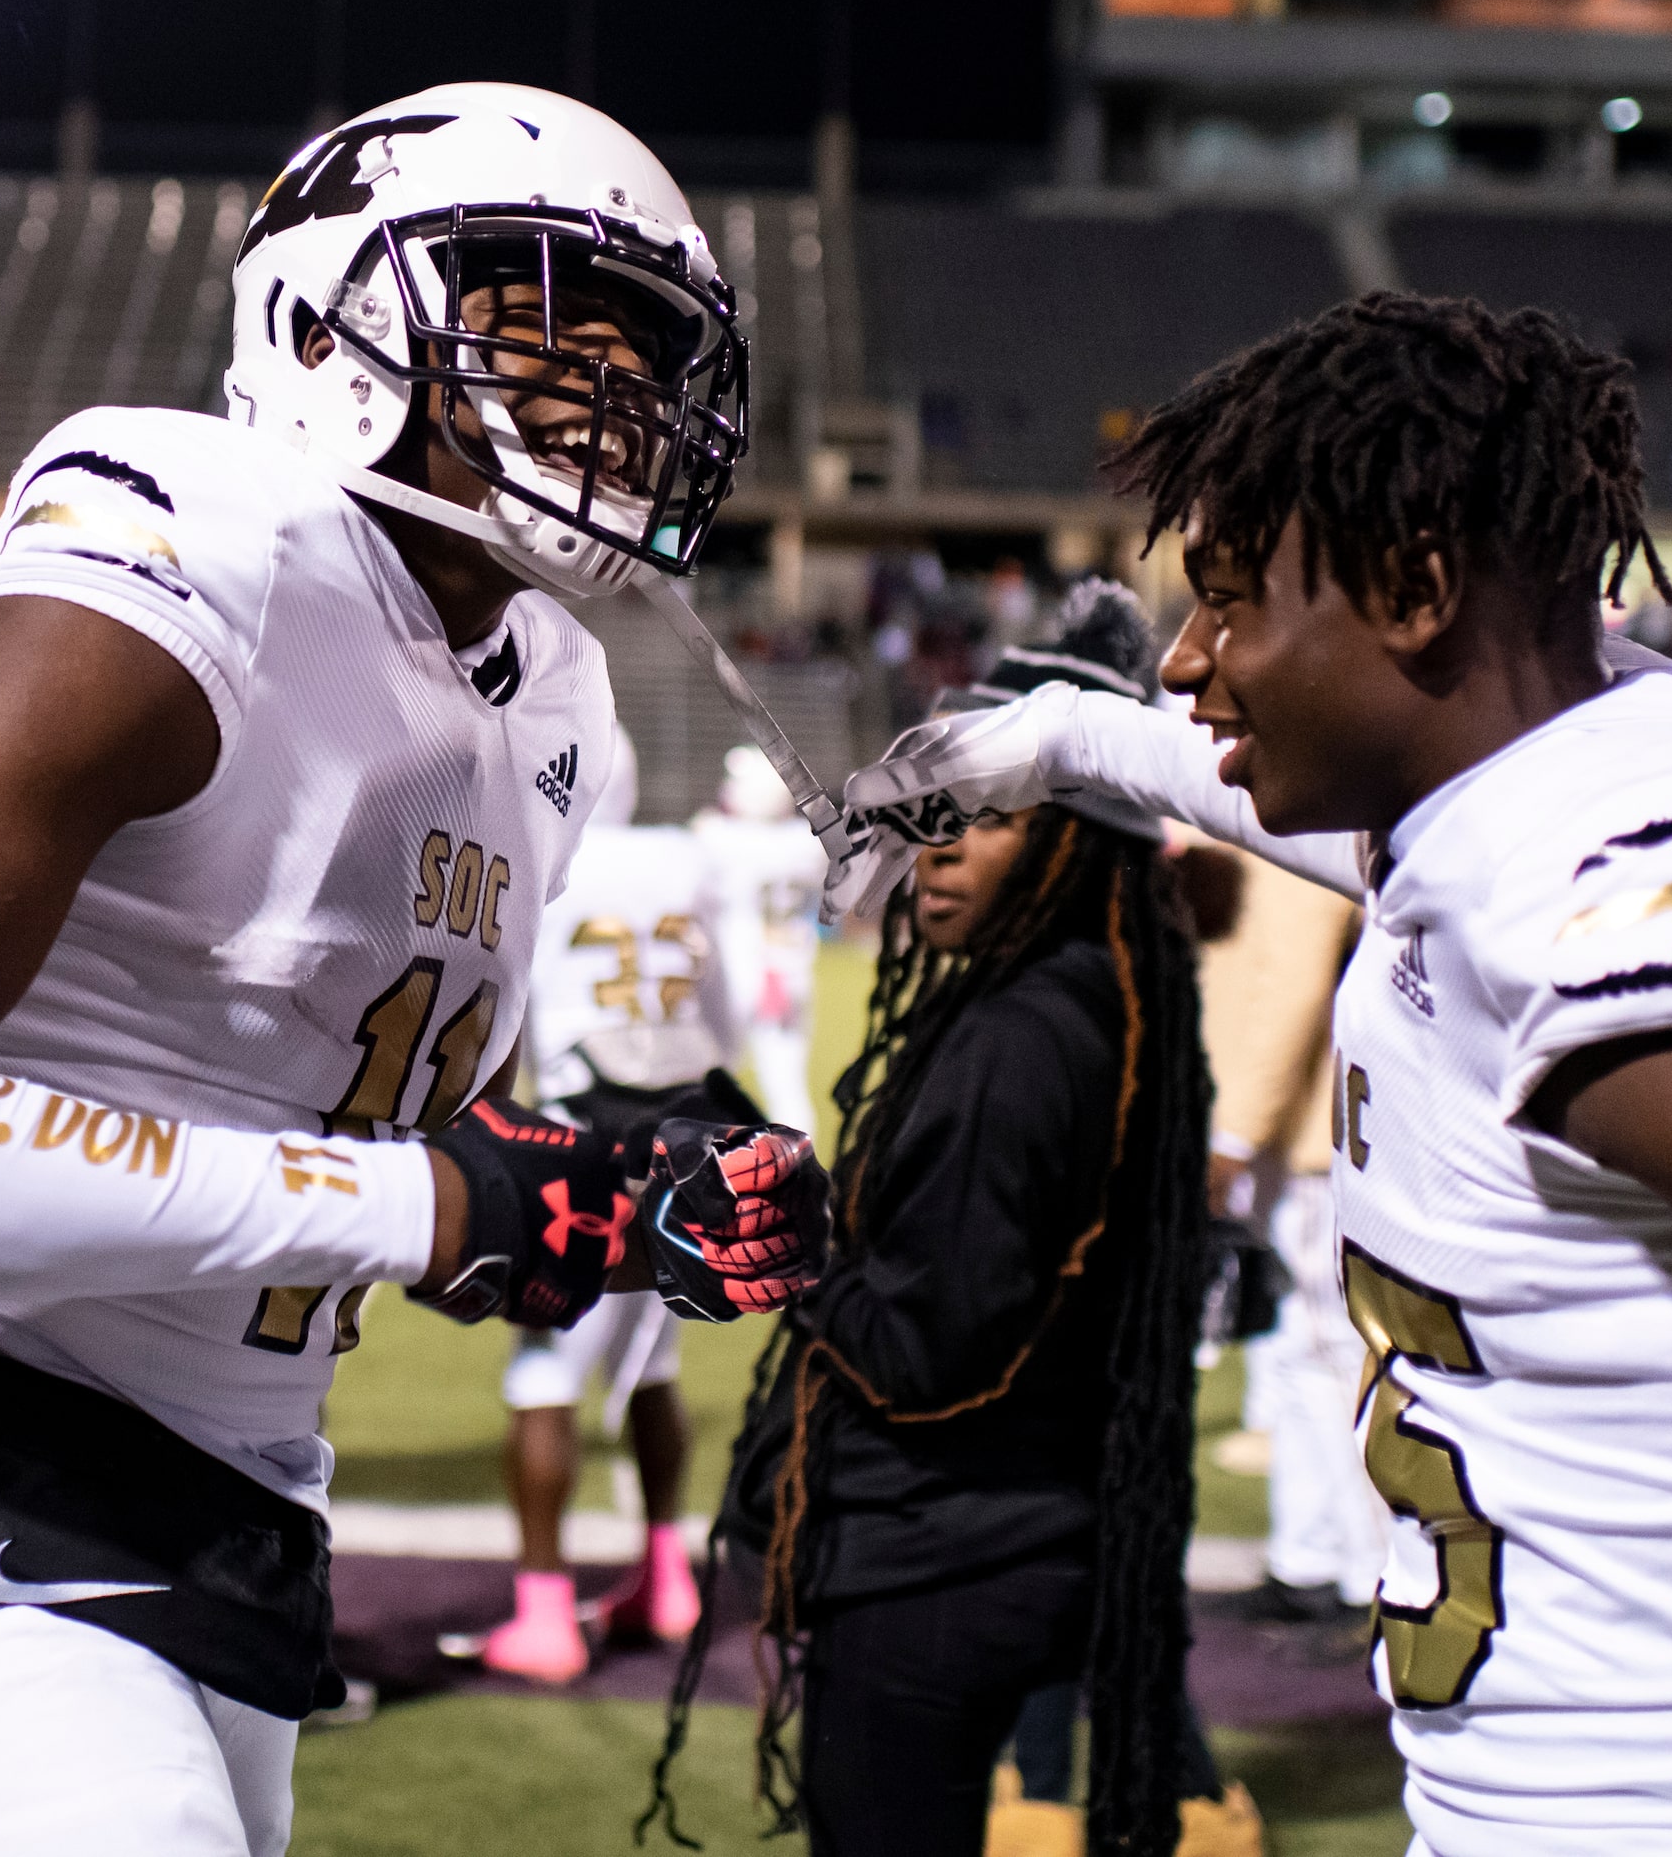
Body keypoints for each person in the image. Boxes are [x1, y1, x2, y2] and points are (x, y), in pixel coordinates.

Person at [834, 290, 1672, 1855]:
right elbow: (1293, 805)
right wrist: (1065, 738)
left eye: (1226, 601)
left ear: (1416, 587)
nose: (1194, 659)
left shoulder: (1610, 917)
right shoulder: (1537, 771)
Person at [0, 85, 826, 1855]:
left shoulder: (558, 697)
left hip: (237, 1510)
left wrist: (602, 1195)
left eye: (639, 350)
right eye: (538, 324)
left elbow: (375, 1142)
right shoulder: (204, 538)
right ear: (322, 325)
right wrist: (430, 1210)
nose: (608, 393)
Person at [651, 584, 1228, 1857]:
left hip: (934, 1568)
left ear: (1078, 841)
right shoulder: (1107, 1007)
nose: (944, 845)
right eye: (935, 818)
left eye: (991, 818)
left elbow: (923, 1348)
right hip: (1025, 1527)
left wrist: (779, 1228)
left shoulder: (1015, 1040)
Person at [480, 725, 730, 1682]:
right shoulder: (682, 859)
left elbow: (505, 1020)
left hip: (583, 1140)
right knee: (651, 1366)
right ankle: (667, 1577)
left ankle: (544, 1614)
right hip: (682, 1137)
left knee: (543, 1375)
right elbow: (724, 1019)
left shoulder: (548, 863)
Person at [1194, 845, 1385, 1634]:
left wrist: (1235, 1131)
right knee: (1296, 1358)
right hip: (1285, 1134)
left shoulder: (1294, 819)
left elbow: (1291, 986)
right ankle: (1308, 1561)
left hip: (1304, 1139)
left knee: (1331, 1357)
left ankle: (1366, 1578)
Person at [692, 743, 827, 1130]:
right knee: (787, 1089)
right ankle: (800, 1169)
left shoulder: (718, 837)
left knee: (715, 1079)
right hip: (789, 971)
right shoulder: (807, 844)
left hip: (737, 970)